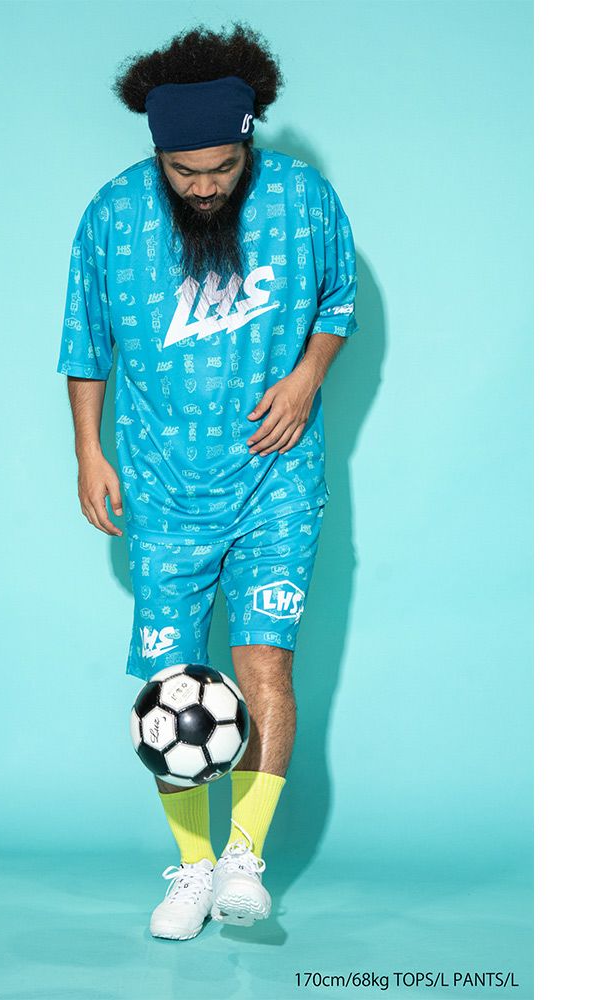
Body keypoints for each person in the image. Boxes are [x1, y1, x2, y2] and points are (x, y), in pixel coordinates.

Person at [55, 22, 358, 940]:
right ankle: (191, 867)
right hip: (162, 486)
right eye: (183, 172)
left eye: (220, 168)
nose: (202, 187)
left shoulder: (303, 199)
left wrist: (307, 379)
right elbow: (85, 342)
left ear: (247, 140)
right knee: (172, 684)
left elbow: (340, 298)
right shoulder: (113, 215)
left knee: (266, 661)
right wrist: (88, 450)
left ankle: (244, 860)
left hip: (276, 475)